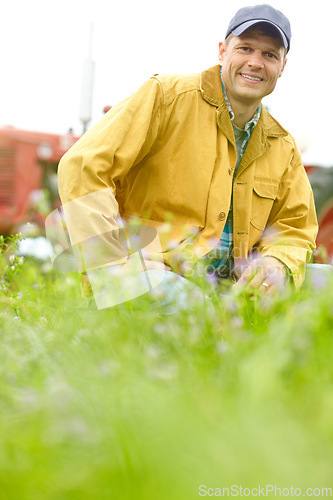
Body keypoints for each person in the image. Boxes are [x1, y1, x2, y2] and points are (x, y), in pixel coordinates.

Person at [57, 4, 318, 307]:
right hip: (155, 275)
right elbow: (82, 167)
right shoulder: (166, 96)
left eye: (270, 55)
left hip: (236, 290)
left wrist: (278, 263)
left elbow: (296, 227)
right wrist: (113, 266)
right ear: (222, 52)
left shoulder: (283, 146)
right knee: (190, 303)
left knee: (327, 287)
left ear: (282, 67)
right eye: (245, 48)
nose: (255, 63)